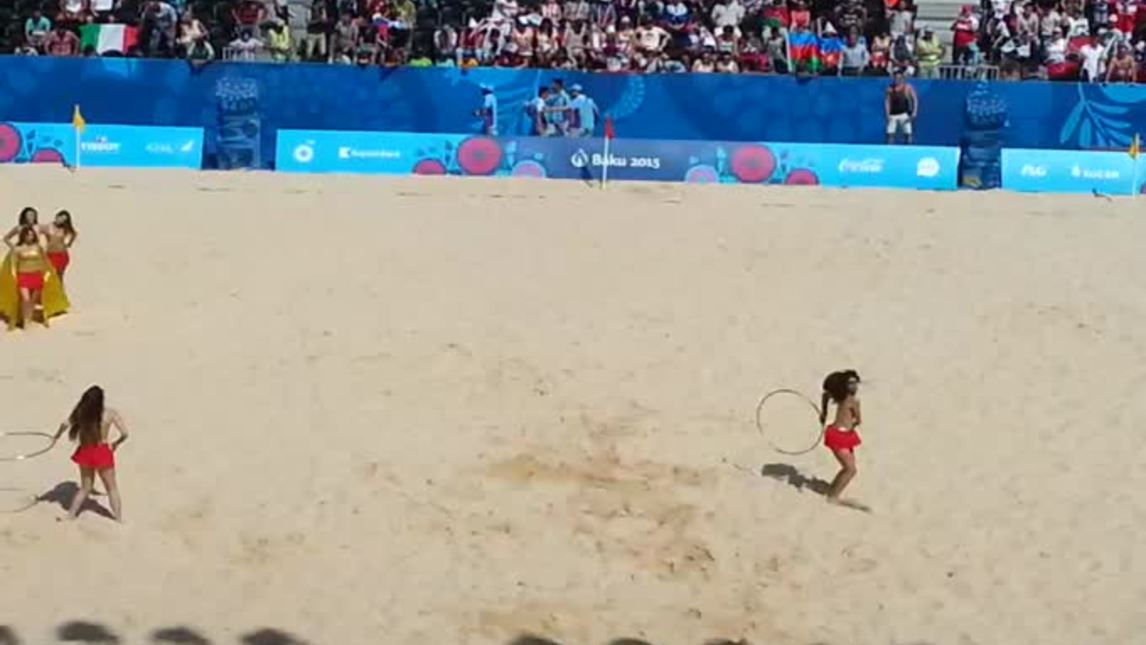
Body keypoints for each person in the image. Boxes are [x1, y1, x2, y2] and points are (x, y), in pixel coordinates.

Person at [52, 386, 128, 522]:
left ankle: (70, 516)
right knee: (112, 488)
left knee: (85, 488)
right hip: (102, 451)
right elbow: (125, 433)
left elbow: (64, 424)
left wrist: (56, 436)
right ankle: (119, 519)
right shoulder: (110, 413)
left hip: (85, 452)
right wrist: (116, 443)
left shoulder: (82, 413)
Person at [0, 226, 66, 329]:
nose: (29, 237)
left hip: (36, 275)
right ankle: (25, 321)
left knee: (33, 300)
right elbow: (13, 263)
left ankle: (29, 318)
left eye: (31, 235)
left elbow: (44, 261)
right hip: (23, 275)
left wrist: (47, 274)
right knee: (25, 299)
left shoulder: (38, 247)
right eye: (27, 235)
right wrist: (14, 275)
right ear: (23, 236)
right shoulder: (18, 249)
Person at [819, 370, 866, 510]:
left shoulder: (839, 396)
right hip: (839, 436)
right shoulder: (853, 401)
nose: (854, 386)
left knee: (848, 468)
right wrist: (855, 421)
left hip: (841, 435)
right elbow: (858, 419)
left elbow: (825, 395)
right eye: (851, 383)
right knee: (850, 469)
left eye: (855, 382)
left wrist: (824, 412)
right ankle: (833, 497)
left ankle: (833, 489)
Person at [885, 70, 917, 144]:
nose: (897, 80)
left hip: (904, 114)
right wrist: (887, 114)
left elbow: (915, 99)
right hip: (893, 115)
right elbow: (887, 101)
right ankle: (889, 151)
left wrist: (914, 112)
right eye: (896, 78)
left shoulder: (907, 87)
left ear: (902, 79)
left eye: (899, 78)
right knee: (890, 135)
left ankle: (908, 151)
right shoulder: (890, 89)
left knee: (908, 135)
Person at [43, 210, 77, 279]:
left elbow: (74, 233)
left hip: (61, 254)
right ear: (57, 216)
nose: (61, 220)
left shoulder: (64, 228)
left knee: (59, 276)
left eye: (64, 220)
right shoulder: (48, 226)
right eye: (60, 217)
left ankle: (60, 289)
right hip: (50, 253)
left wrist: (69, 243)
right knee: (48, 275)